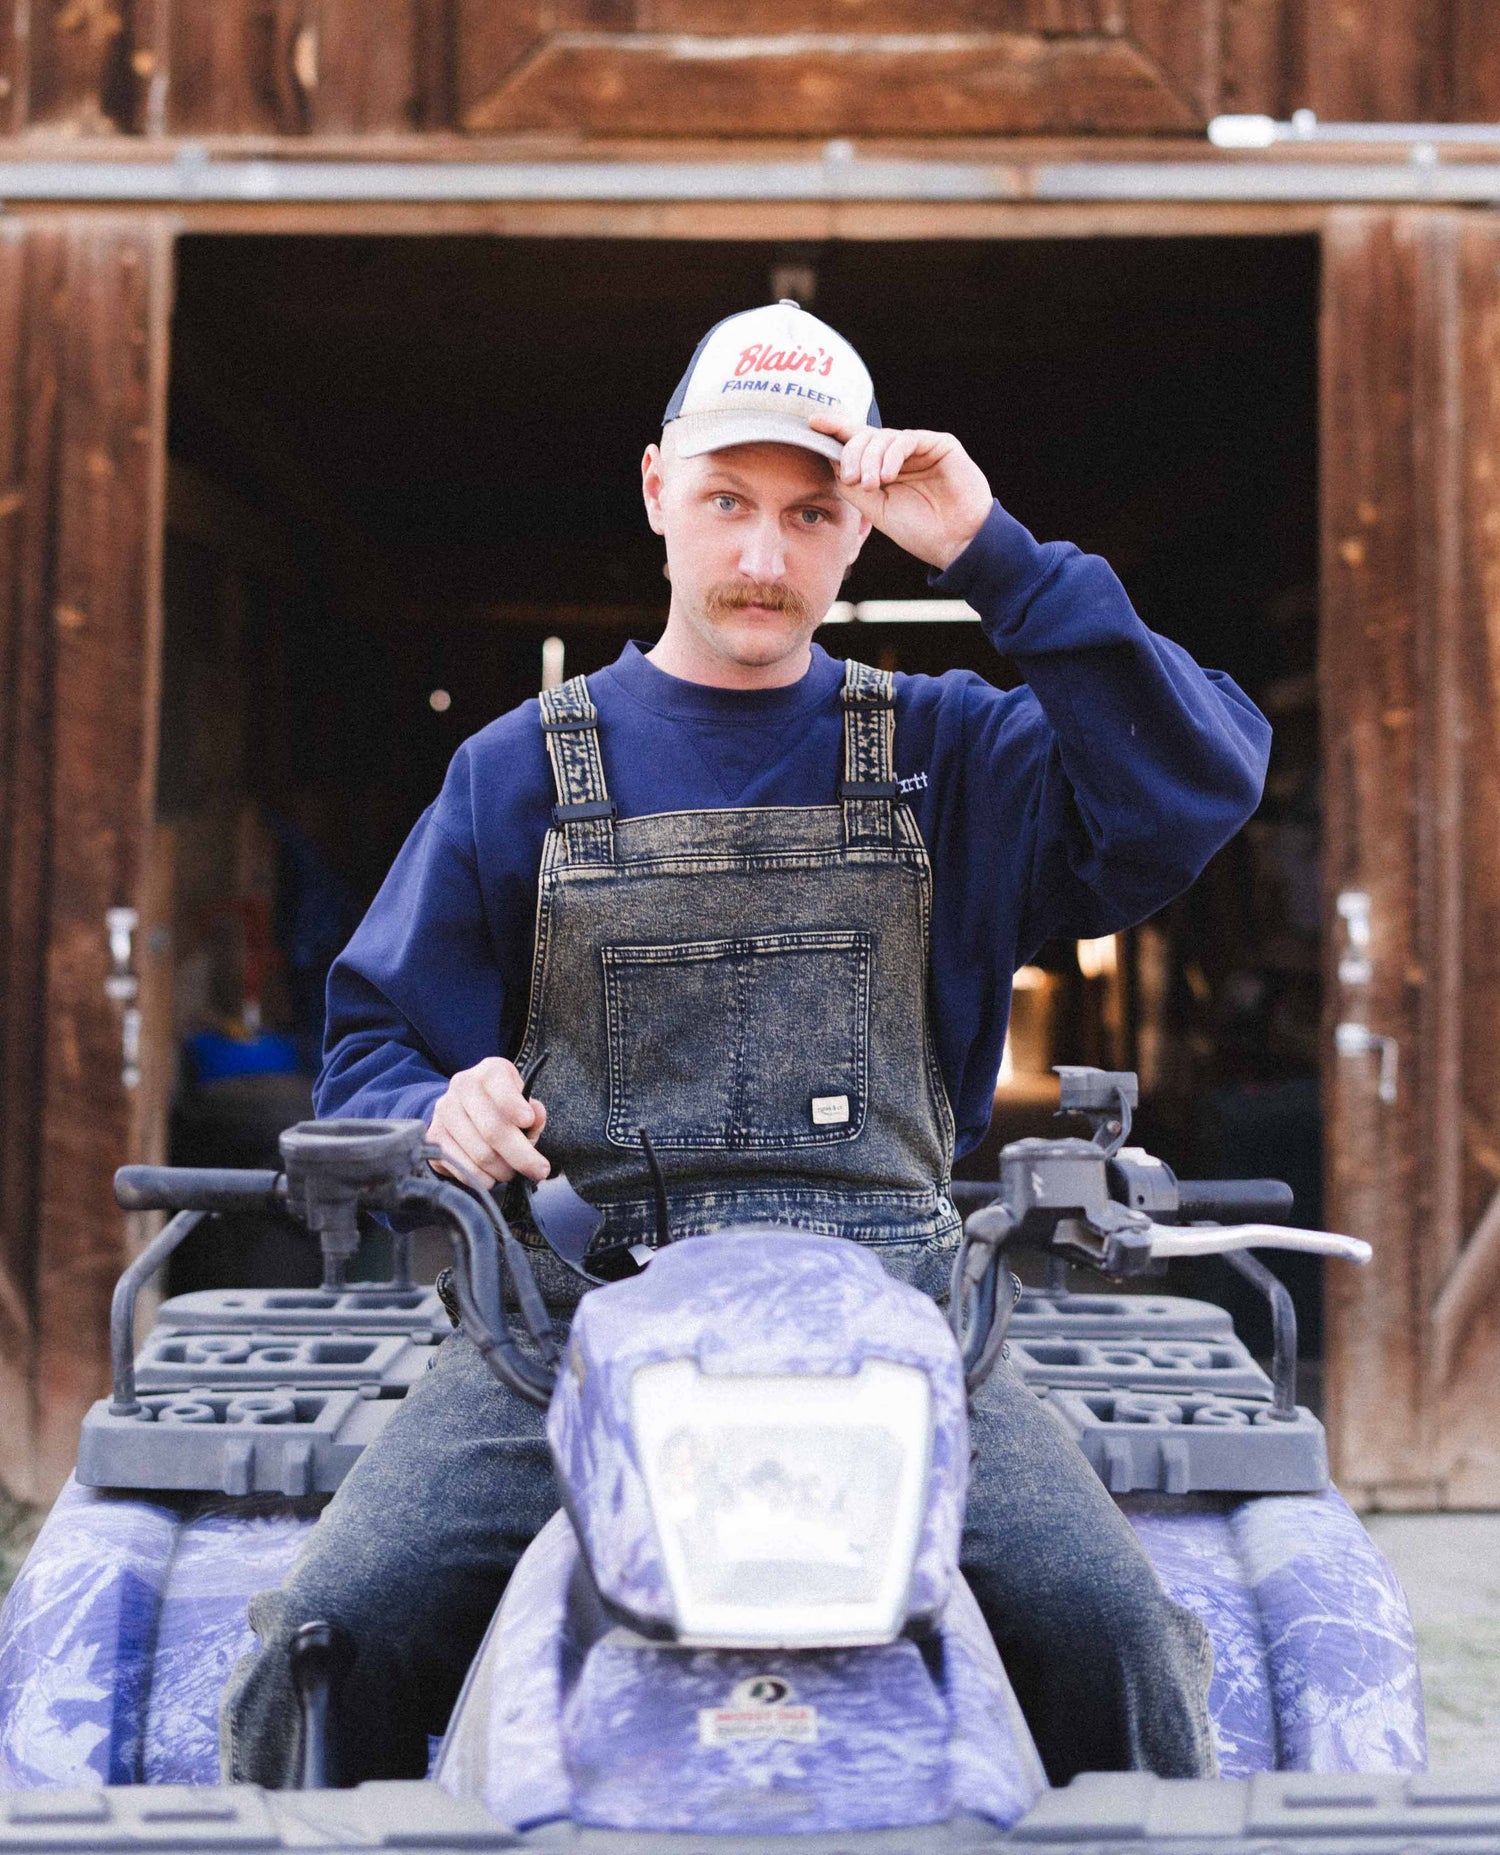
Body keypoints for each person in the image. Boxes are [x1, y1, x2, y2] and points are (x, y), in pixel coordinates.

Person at [223, 301, 1270, 1790]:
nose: (765, 557)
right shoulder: (516, 771)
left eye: (811, 512)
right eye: (728, 502)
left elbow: (1194, 782)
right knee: (331, 1632)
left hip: (902, 1330)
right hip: (572, 1331)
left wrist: (1000, 558)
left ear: (863, 531)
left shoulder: (951, 754)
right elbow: (373, 1045)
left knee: (1114, 1632)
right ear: (658, 492)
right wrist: (437, 1107)